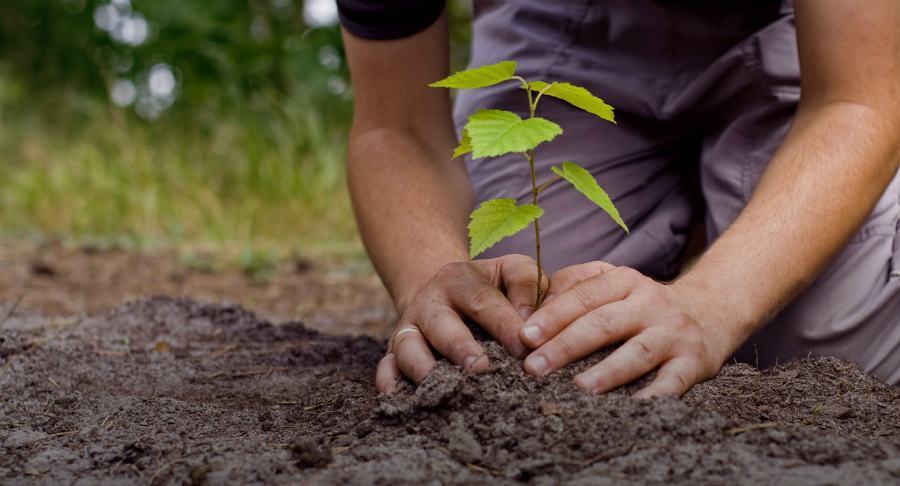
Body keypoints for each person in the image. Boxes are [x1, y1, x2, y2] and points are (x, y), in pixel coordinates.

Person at [337, 0, 900, 396]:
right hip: (559, 21)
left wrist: (713, 303)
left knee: (830, 340)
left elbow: (858, 100)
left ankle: (721, 207)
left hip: (804, 28)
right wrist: (429, 279)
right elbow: (397, 126)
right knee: (518, 317)